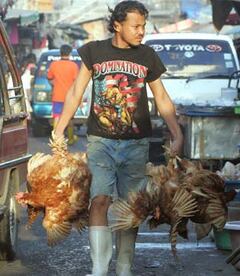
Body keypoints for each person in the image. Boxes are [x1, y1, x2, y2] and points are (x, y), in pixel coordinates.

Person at [53, 1, 183, 275]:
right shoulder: (93, 51)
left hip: (136, 144)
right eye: (136, 26)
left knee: (131, 205)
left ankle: (124, 267)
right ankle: (99, 269)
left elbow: (161, 97)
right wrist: (60, 127)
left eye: (144, 26)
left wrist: (177, 133)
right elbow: (77, 91)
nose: (141, 31)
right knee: (99, 200)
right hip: (100, 141)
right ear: (117, 25)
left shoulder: (147, 56)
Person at [47, 44, 79, 145]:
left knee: (57, 116)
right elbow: (76, 83)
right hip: (70, 98)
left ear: (60, 52)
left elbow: (49, 78)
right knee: (69, 117)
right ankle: (70, 139)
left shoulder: (54, 65)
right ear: (69, 53)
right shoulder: (74, 66)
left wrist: (54, 85)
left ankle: (56, 138)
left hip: (57, 96)